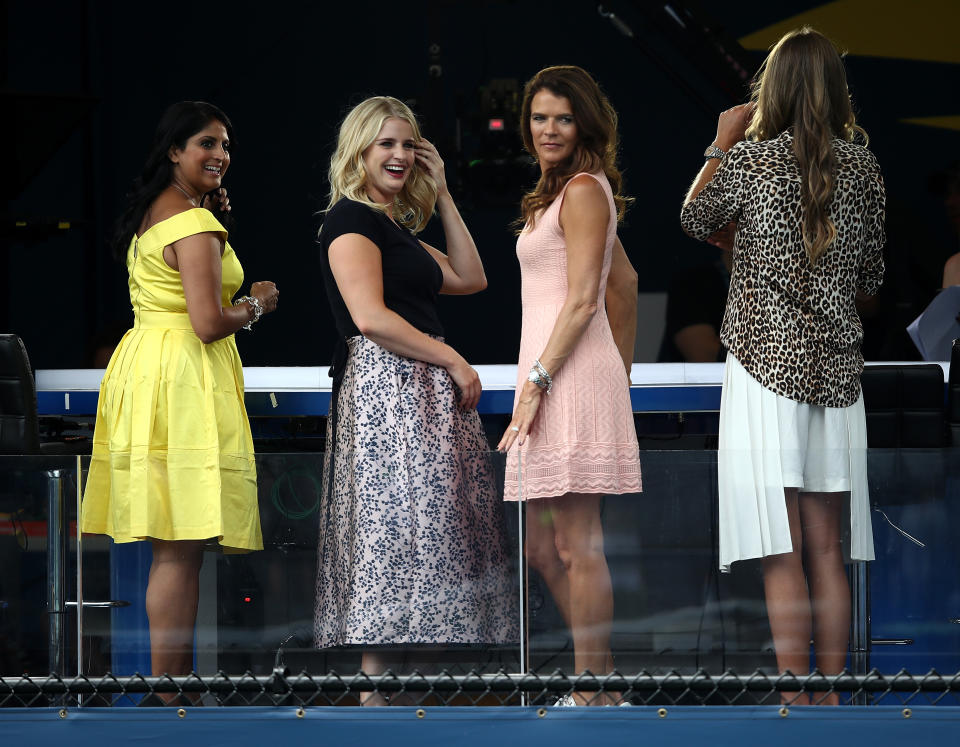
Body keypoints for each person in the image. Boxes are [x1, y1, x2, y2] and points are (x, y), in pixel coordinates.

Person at [680, 27, 885, 705]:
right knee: (827, 548)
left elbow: (692, 215)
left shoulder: (752, 161)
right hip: (837, 374)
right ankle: (830, 694)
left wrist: (719, 140)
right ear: (834, 87)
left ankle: (794, 695)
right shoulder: (865, 169)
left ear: (773, 87)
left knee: (782, 545)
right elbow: (872, 278)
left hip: (767, 372)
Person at [313, 96, 515, 702]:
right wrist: (451, 356)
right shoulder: (348, 221)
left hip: (422, 385)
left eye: (407, 144)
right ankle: (376, 687)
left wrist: (445, 194)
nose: (399, 155)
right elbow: (371, 318)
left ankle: (414, 683)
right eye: (386, 145)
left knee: (433, 528)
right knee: (391, 526)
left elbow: (472, 277)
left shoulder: (392, 226)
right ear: (359, 152)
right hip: (387, 388)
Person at [81, 101, 279, 691]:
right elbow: (208, 322)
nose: (219, 155)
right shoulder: (193, 224)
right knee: (179, 549)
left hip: (150, 369)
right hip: (182, 379)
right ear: (174, 151)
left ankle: (169, 686)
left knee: (175, 547)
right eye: (206, 144)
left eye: (225, 147)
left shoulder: (159, 213)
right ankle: (169, 691)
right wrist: (260, 303)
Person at [497, 66, 641, 706]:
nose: (548, 129)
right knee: (543, 549)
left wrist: (547, 379)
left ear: (584, 121)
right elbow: (627, 281)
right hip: (558, 373)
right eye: (538, 117)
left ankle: (591, 689)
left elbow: (587, 300)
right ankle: (601, 681)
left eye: (561, 117)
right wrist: (619, 372)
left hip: (563, 375)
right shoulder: (561, 192)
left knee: (577, 544)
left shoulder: (584, 189)